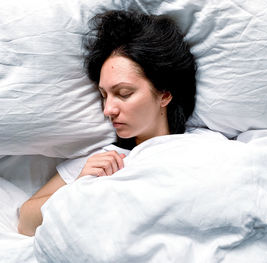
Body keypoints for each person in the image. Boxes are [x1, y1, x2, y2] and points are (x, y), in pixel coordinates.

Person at [17, 10, 197, 236]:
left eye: (123, 93)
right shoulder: (102, 161)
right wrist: (80, 186)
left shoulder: (202, 146)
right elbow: (26, 220)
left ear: (164, 95)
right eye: (104, 95)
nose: (107, 110)